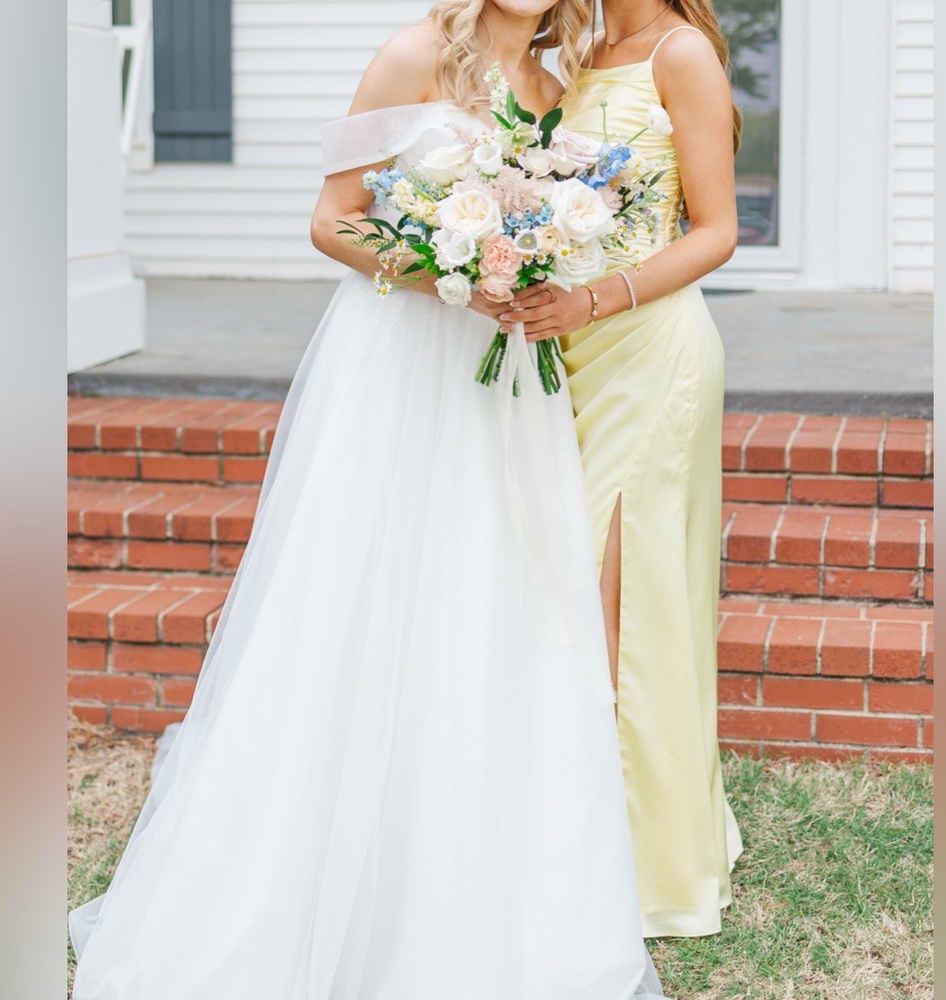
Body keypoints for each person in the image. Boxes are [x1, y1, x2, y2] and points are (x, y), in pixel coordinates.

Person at [67, 3, 666, 998]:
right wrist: (449, 273)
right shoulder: (412, 55)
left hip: (507, 375)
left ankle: (476, 907)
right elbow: (331, 217)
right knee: (361, 594)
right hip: (399, 363)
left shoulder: (556, 95)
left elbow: (566, 224)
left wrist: (540, 272)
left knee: (500, 598)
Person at [504, 0, 745, 938]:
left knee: (621, 598)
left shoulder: (682, 54)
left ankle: (636, 864)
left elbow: (717, 230)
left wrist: (596, 297)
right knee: (560, 581)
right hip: (571, 355)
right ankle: (561, 833)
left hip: (651, 353)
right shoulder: (579, 49)